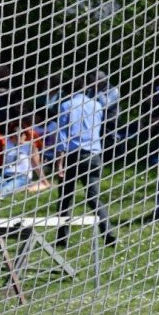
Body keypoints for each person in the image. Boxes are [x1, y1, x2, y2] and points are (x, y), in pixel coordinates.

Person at [54, 74, 116, 248]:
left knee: (65, 198)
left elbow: (62, 137)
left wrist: (59, 163)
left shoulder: (66, 106)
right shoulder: (97, 105)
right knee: (94, 197)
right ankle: (108, 232)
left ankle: (62, 238)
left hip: (73, 155)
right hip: (94, 155)